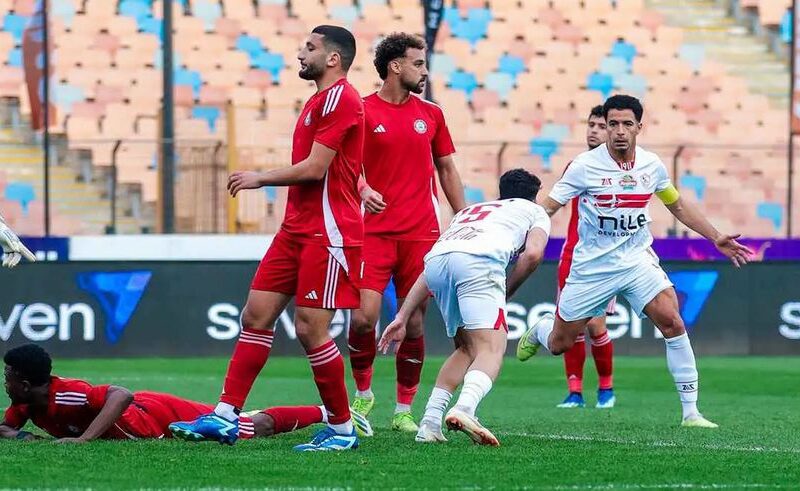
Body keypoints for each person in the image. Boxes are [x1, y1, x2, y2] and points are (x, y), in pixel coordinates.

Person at [170, 25, 366, 452]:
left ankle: (342, 428)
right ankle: (224, 416)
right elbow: (341, 163)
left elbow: (316, 169)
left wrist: (260, 177)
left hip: (327, 231)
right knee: (255, 314)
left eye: (310, 48)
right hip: (296, 228)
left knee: (311, 329)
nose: (301, 53)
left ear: (333, 58)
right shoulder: (319, 99)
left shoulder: (341, 98)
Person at [517, 95, 753, 428]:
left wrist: (715, 237)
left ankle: (691, 413)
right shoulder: (585, 166)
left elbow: (678, 206)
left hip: (636, 258)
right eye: (612, 124)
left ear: (639, 127)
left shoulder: (651, 165)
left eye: (627, 124)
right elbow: (549, 207)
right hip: (593, 267)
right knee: (560, 343)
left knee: (672, 322)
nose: (619, 131)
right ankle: (542, 327)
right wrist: (515, 231)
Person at [379, 169, 550, 446]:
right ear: (534, 196)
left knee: (466, 348)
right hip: (478, 263)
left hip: (437, 263)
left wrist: (402, 315)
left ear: (500, 193)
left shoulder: (473, 211)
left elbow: (433, 264)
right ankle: (465, 408)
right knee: (491, 348)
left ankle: (430, 423)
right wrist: (506, 291)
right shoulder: (534, 211)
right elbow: (532, 254)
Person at [348, 32, 465, 432]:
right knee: (364, 319)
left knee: (413, 324)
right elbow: (345, 167)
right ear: (395, 66)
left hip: (421, 235)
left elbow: (447, 168)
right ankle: (362, 394)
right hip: (372, 234)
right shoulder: (361, 111)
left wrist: (464, 218)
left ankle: (403, 409)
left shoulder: (431, 114)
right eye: (418, 63)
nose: (424, 71)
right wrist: (363, 189)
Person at [0, 345, 374, 442]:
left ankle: (328, 413)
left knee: (247, 429)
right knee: (241, 421)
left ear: (27, 382)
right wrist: (23, 436)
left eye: (9, 377)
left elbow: (121, 395)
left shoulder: (66, 395)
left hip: (155, 418)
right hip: (152, 409)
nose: (5, 383)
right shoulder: (26, 404)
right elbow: (5, 428)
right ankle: (328, 412)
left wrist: (84, 440)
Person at [557, 105, 616, 409]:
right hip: (571, 257)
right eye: (590, 124)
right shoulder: (576, 166)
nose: (593, 130)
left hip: (602, 260)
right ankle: (575, 392)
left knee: (595, 325)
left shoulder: (619, 168)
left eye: (600, 125)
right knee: (571, 327)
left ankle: (606, 388)